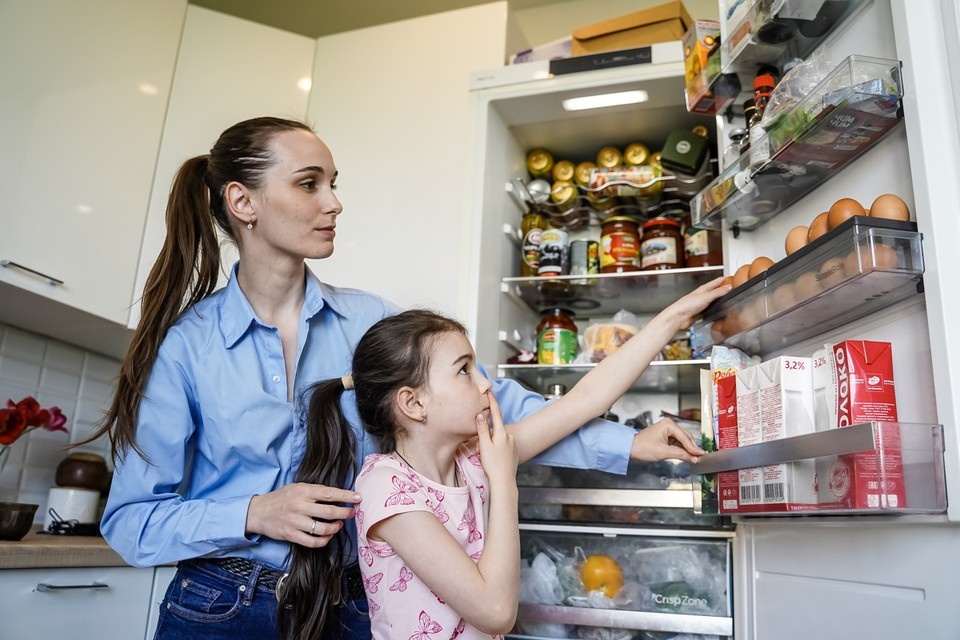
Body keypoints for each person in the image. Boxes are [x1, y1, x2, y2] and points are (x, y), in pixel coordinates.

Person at [88, 115, 720, 640]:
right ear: (242, 202)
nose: (334, 203)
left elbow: (492, 410)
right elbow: (132, 521)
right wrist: (255, 512)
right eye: (310, 184)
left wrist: (624, 443)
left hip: (352, 603)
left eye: (333, 183)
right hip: (221, 607)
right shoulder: (186, 348)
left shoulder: (368, 320)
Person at [285, 279, 727, 640]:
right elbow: (496, 612)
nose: (485, 385)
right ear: (413, 403)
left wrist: (673, 317)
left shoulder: (474, 456)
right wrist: (504, 483)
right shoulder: (386, 488)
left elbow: (586, 399)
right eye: (464, 370)